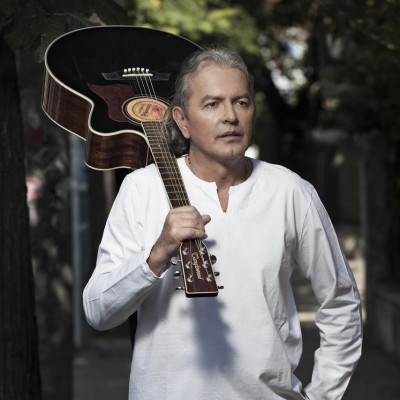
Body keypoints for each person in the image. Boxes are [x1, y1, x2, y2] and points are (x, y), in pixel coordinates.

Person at [83, 46, 363, 400]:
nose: (230, 116)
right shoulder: (142, 189)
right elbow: (98, 312)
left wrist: (324, 394)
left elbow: (341, 302)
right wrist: (156, 256)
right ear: (182, 121)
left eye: (241, 102)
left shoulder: (291, 191)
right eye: (212, 104)